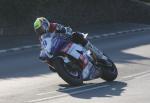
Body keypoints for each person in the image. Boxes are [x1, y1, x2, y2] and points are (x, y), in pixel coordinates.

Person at [33, 17, 111, 66]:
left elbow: (65, 29)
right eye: (39, 30)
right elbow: (44, 47)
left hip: (66, 40)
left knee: (77, 35)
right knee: (48, 61)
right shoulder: (42, 38)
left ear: (45, 24)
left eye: (41, 28)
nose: (41, 31)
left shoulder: (54, 26)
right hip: (57, 48)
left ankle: (99, 55)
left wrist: (66, 31)